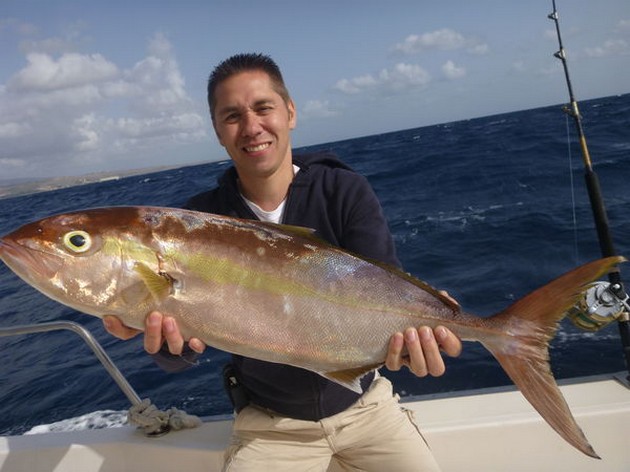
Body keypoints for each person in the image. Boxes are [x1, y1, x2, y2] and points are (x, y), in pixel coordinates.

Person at [104, 53, 462, 471]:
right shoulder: (195, 224)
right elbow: (175, 357)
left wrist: (420, 332)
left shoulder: (343, 190)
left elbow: (382, 291)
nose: (252, 126)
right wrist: (167, 344)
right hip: (271, 426)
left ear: (290, 112)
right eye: (232, 115)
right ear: (218, 131)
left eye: (263, 107)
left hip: (368, 409)